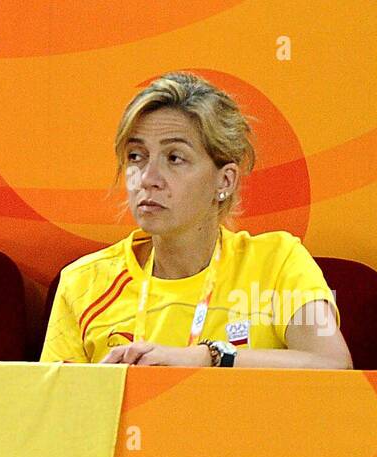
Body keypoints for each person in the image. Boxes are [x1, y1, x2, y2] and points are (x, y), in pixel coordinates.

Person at [41, 72, 352, 369]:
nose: (148, 179)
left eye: (175, 158)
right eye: (136, 156)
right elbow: (54, 411)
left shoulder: (277, 262)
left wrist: (208, 358)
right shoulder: (83, 283)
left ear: (225, 181)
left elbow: (332, 363)